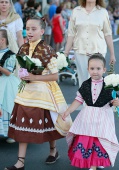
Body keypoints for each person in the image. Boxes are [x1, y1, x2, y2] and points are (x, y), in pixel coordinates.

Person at [5, 16, 69, 170]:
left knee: (49, 124)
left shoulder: (47, 49)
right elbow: (20, 69)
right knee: (21, 124)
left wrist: (35, 76)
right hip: (25, 91)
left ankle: (53, 150)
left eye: (34, 29)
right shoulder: (23, 48)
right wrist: (22, 74)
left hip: (43, 91)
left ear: (42, 31)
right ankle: (20, 162)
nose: (30, 32)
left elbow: (54, 76)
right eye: (28, 29)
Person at [62, 53, 119, 170]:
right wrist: (68, 111)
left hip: (103, 117)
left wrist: (116, 102)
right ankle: (91, 163)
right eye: (92, 68)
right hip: (87, 117)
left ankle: (97, 162)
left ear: (104, 70)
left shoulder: (108, 85)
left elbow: (116, 100)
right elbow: (78, 100)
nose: (95, 71)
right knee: (87, 138)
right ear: (88, 69)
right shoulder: (85, 84)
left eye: (98, 69)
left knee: (100, 138)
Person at [64, 0, 116, 87]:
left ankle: (94, 100)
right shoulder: (76, 11)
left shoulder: (103, 12)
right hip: (80, 51)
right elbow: (71, 34)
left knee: (95, 81)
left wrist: (112, 54)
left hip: (98, 51)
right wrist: (65, 53)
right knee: (83, 82)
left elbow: (108, 34)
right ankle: (85, 100)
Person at [0, 29, 20, 143]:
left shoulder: (10, 55)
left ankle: (11, 132)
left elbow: (8, 72)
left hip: (6, 82)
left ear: (3, 40)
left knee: (7, 104)